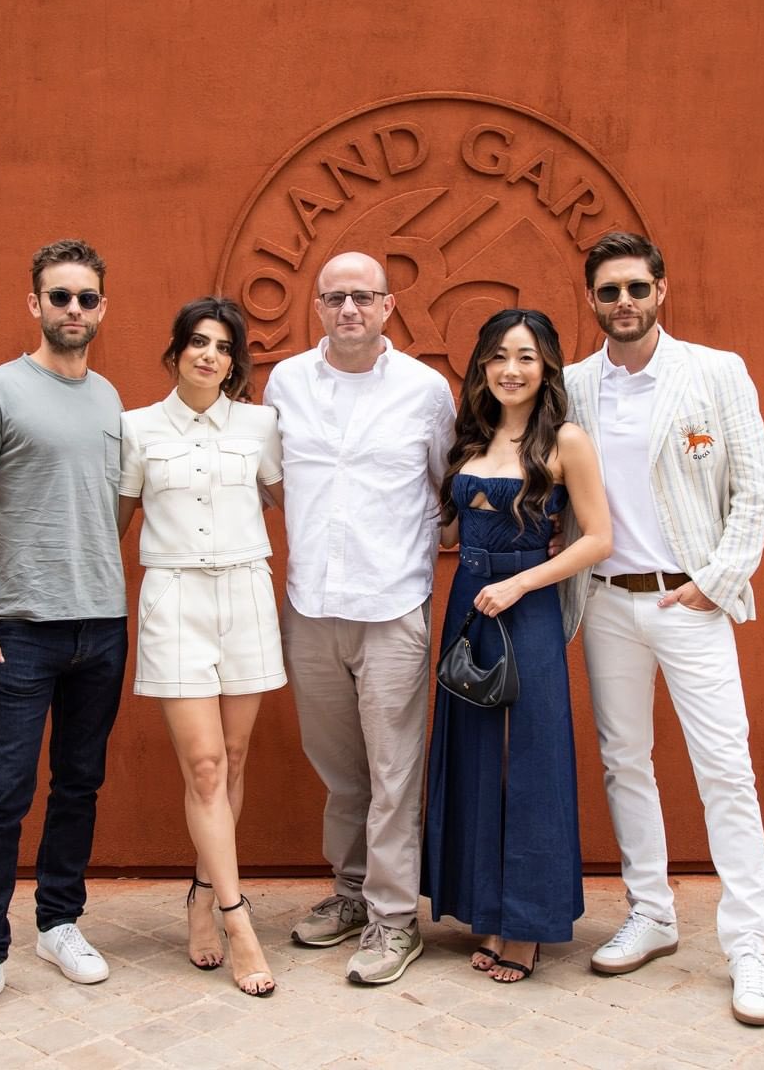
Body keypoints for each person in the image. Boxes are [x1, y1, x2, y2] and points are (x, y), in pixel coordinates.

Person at [559, 231, 764, 1024]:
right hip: (607, 601)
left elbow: (754, 488)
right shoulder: (573, 384)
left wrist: (715, 582)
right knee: (625, 761)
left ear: (661, 291)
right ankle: (651, 912)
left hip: (688, 600)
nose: (624, 303)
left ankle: (748, 943)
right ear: (592, 301)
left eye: (636, 289)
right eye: (609, 292)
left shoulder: (715, 373)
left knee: (725, 769)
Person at [0, 239, 127, 1030]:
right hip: (19, 626)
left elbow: (117, 504)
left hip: (102, 625)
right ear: (35, 304)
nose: (73, 311)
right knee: (3, 794)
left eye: (86, 298)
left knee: (80, 783)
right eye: (60, 297)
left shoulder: (114, 398)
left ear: (102, 309)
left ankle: (57, 922)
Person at [264, 252, 456, 984]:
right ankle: (349, 894)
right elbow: (274, 477)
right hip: (311, 605)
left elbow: (447, 487)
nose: (349, 309)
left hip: (392, 608)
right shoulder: (286, 382)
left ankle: (393, 920)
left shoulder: (424, 390)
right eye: (336, 297)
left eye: (363, 297)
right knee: (341, 772)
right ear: (317, 307)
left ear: (388, 305)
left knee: (394, 772)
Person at [422, 309, 611, 982]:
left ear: (547, 367)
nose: (511, 368)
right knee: (473, 755)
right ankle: (487, 910)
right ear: (480, 366)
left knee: (529, 757)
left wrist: (523, 582)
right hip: (467, 607)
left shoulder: (566, 440)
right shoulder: (467, 438)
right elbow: (448, 532)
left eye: (526, 357)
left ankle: (528, 925)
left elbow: (596, 538)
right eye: (499, 355)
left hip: (523, 610)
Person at [117, 297, 283, 997]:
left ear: (235, 361)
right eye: (197, 343)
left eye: (222, 346)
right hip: (175, 599)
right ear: (176, 352)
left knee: (236, 756)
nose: (209, 355)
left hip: (246, 591)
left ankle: (198, 890)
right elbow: (113, 522)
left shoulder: (260, 424)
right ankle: (235, 914)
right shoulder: (135, 429)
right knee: (207, 766)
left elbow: (281, 496)